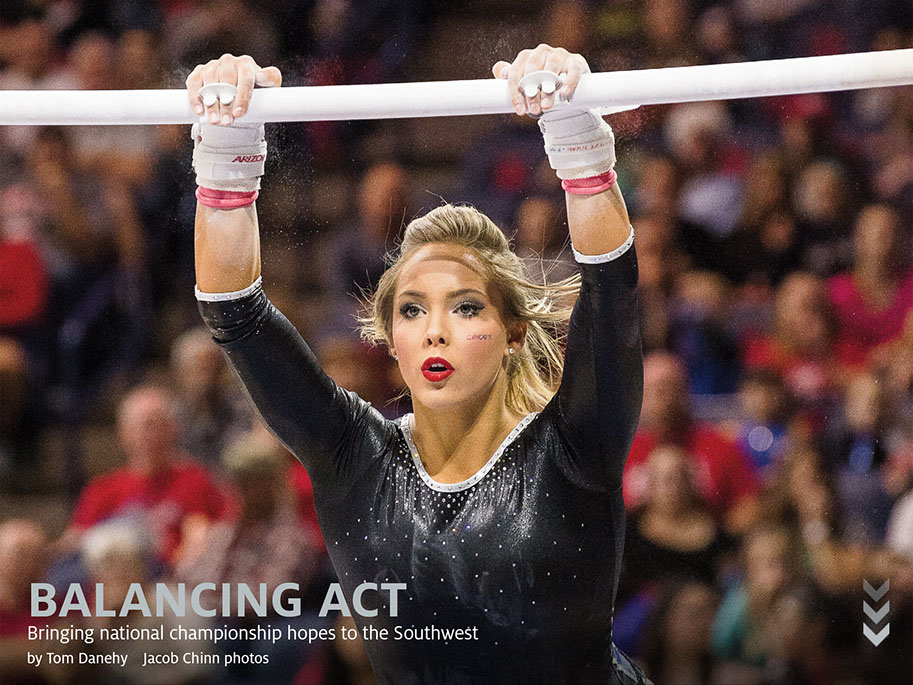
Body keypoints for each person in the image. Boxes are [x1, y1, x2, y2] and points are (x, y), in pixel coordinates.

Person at [186, 45, 647, 683]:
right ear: (389, 339)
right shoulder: (354, 456)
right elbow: (235, 312)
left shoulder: (576, 447)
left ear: (513, 333)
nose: (434, 331)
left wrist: (574, 134)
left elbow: (610, 285)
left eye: (465, 308)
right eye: (411, 311)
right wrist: (227, 147)